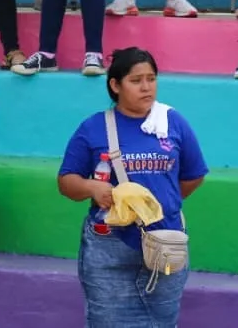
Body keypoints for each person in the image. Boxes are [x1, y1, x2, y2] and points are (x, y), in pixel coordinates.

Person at [58, 47, 207, 328]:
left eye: (151, 79)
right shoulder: (93, 128)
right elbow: (66, 181)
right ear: (115, 85)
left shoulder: (173, 122)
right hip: (109, 247)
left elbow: (193, 175)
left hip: (165, 243)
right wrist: (92, 188)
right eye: (136, 80)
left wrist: (160, 206)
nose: (146, 87)